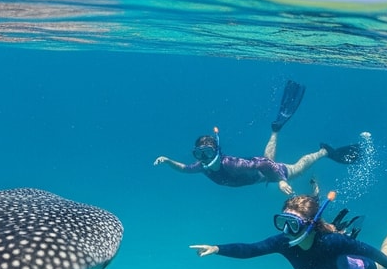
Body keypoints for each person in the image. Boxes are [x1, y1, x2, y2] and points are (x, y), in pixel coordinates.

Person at [189, 185, 387, 269]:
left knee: (386, 254)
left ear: (309, 225)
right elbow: (251, 249)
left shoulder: (333, 242)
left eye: (293, 224)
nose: (287, 230)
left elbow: (371, 252)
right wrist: (217, 248)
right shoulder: (282, 243)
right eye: (283, 222)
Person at [154, 80, 362, 195]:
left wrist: (281, 181)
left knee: (297, 169)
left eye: (207, 153)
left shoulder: (231, 164)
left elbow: (265, 165)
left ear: (216, 151)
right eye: (199, 154)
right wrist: (167, 160)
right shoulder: (202, 167)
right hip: (261, 171)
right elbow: (184, 169)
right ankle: (276, 130)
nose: (204, 158)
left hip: (271, 172)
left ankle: (323, 152)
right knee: (267, 160)